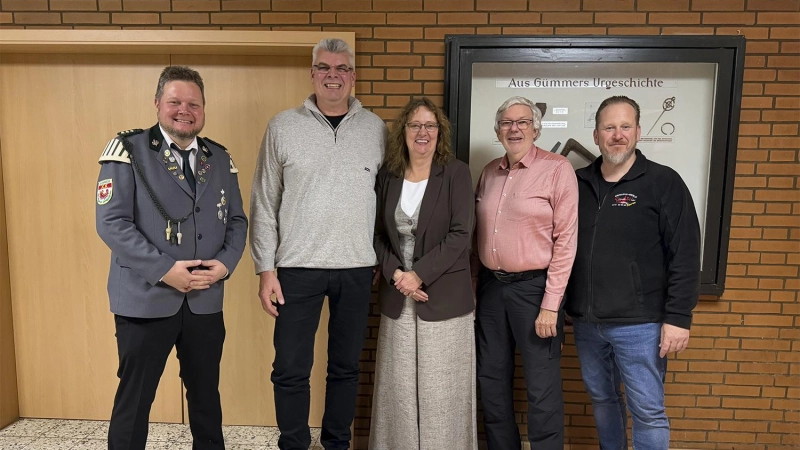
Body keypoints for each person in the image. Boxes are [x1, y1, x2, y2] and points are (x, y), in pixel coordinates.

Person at [95, 65, 248, 450]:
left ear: (203, 109)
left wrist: (226, 264)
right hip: (145, 301)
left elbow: (237, 221)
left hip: (204, 301)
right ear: (157, 104)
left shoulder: (219, 157)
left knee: (206, 400)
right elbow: (112, 223)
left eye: (193, 104)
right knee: (134, 402)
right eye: (175, 102)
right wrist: (165, 270)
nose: (184, 110)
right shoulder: (128, 151)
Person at [249, 38, 387, 450]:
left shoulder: (376, 130)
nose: (333, 75)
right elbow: (263, 200)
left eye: (342, 68)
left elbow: (386, 201)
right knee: (290, 368)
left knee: (344, 368)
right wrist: (265, 269)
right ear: (312, 73)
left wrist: (378, 255)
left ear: (353, 76)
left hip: (357, 268)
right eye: (325, 67)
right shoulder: (282, 126)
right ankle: (293, 443)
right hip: (296, 268)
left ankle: (336, 443)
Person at [565, 95, 701, 450]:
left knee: (648, 411)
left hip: (641, 324)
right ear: (596, 135)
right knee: (603, 401)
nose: (617, 135)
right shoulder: (576, 183)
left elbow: (685, 254)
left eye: (625, 127)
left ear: (639, 132)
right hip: (586, 323)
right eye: (609, 127)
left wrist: (679, 317)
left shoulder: (662, 182)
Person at [370, 97, 477, 449]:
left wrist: (419, 275)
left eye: (430, 126)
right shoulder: (389, 174)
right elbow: (378, 234)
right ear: (403, 131)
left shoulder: (456, 172)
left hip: (442, 295)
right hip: (397, 292)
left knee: (441, 390)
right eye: (415, 125)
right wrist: (399, 275)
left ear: (439, 132)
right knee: (398, 389)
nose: (422, 132)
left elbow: (462, 233)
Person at [474, 96, 578, 450]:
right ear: (498, 130)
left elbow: (566, 242)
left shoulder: (557, 169)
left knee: (541, 387)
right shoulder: (489, 172)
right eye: (506, 122)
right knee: (491, 379)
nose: (514, 128)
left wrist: (551, 304)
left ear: (536, 128)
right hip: (491, 290)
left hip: (535, 292)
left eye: (522, 122)